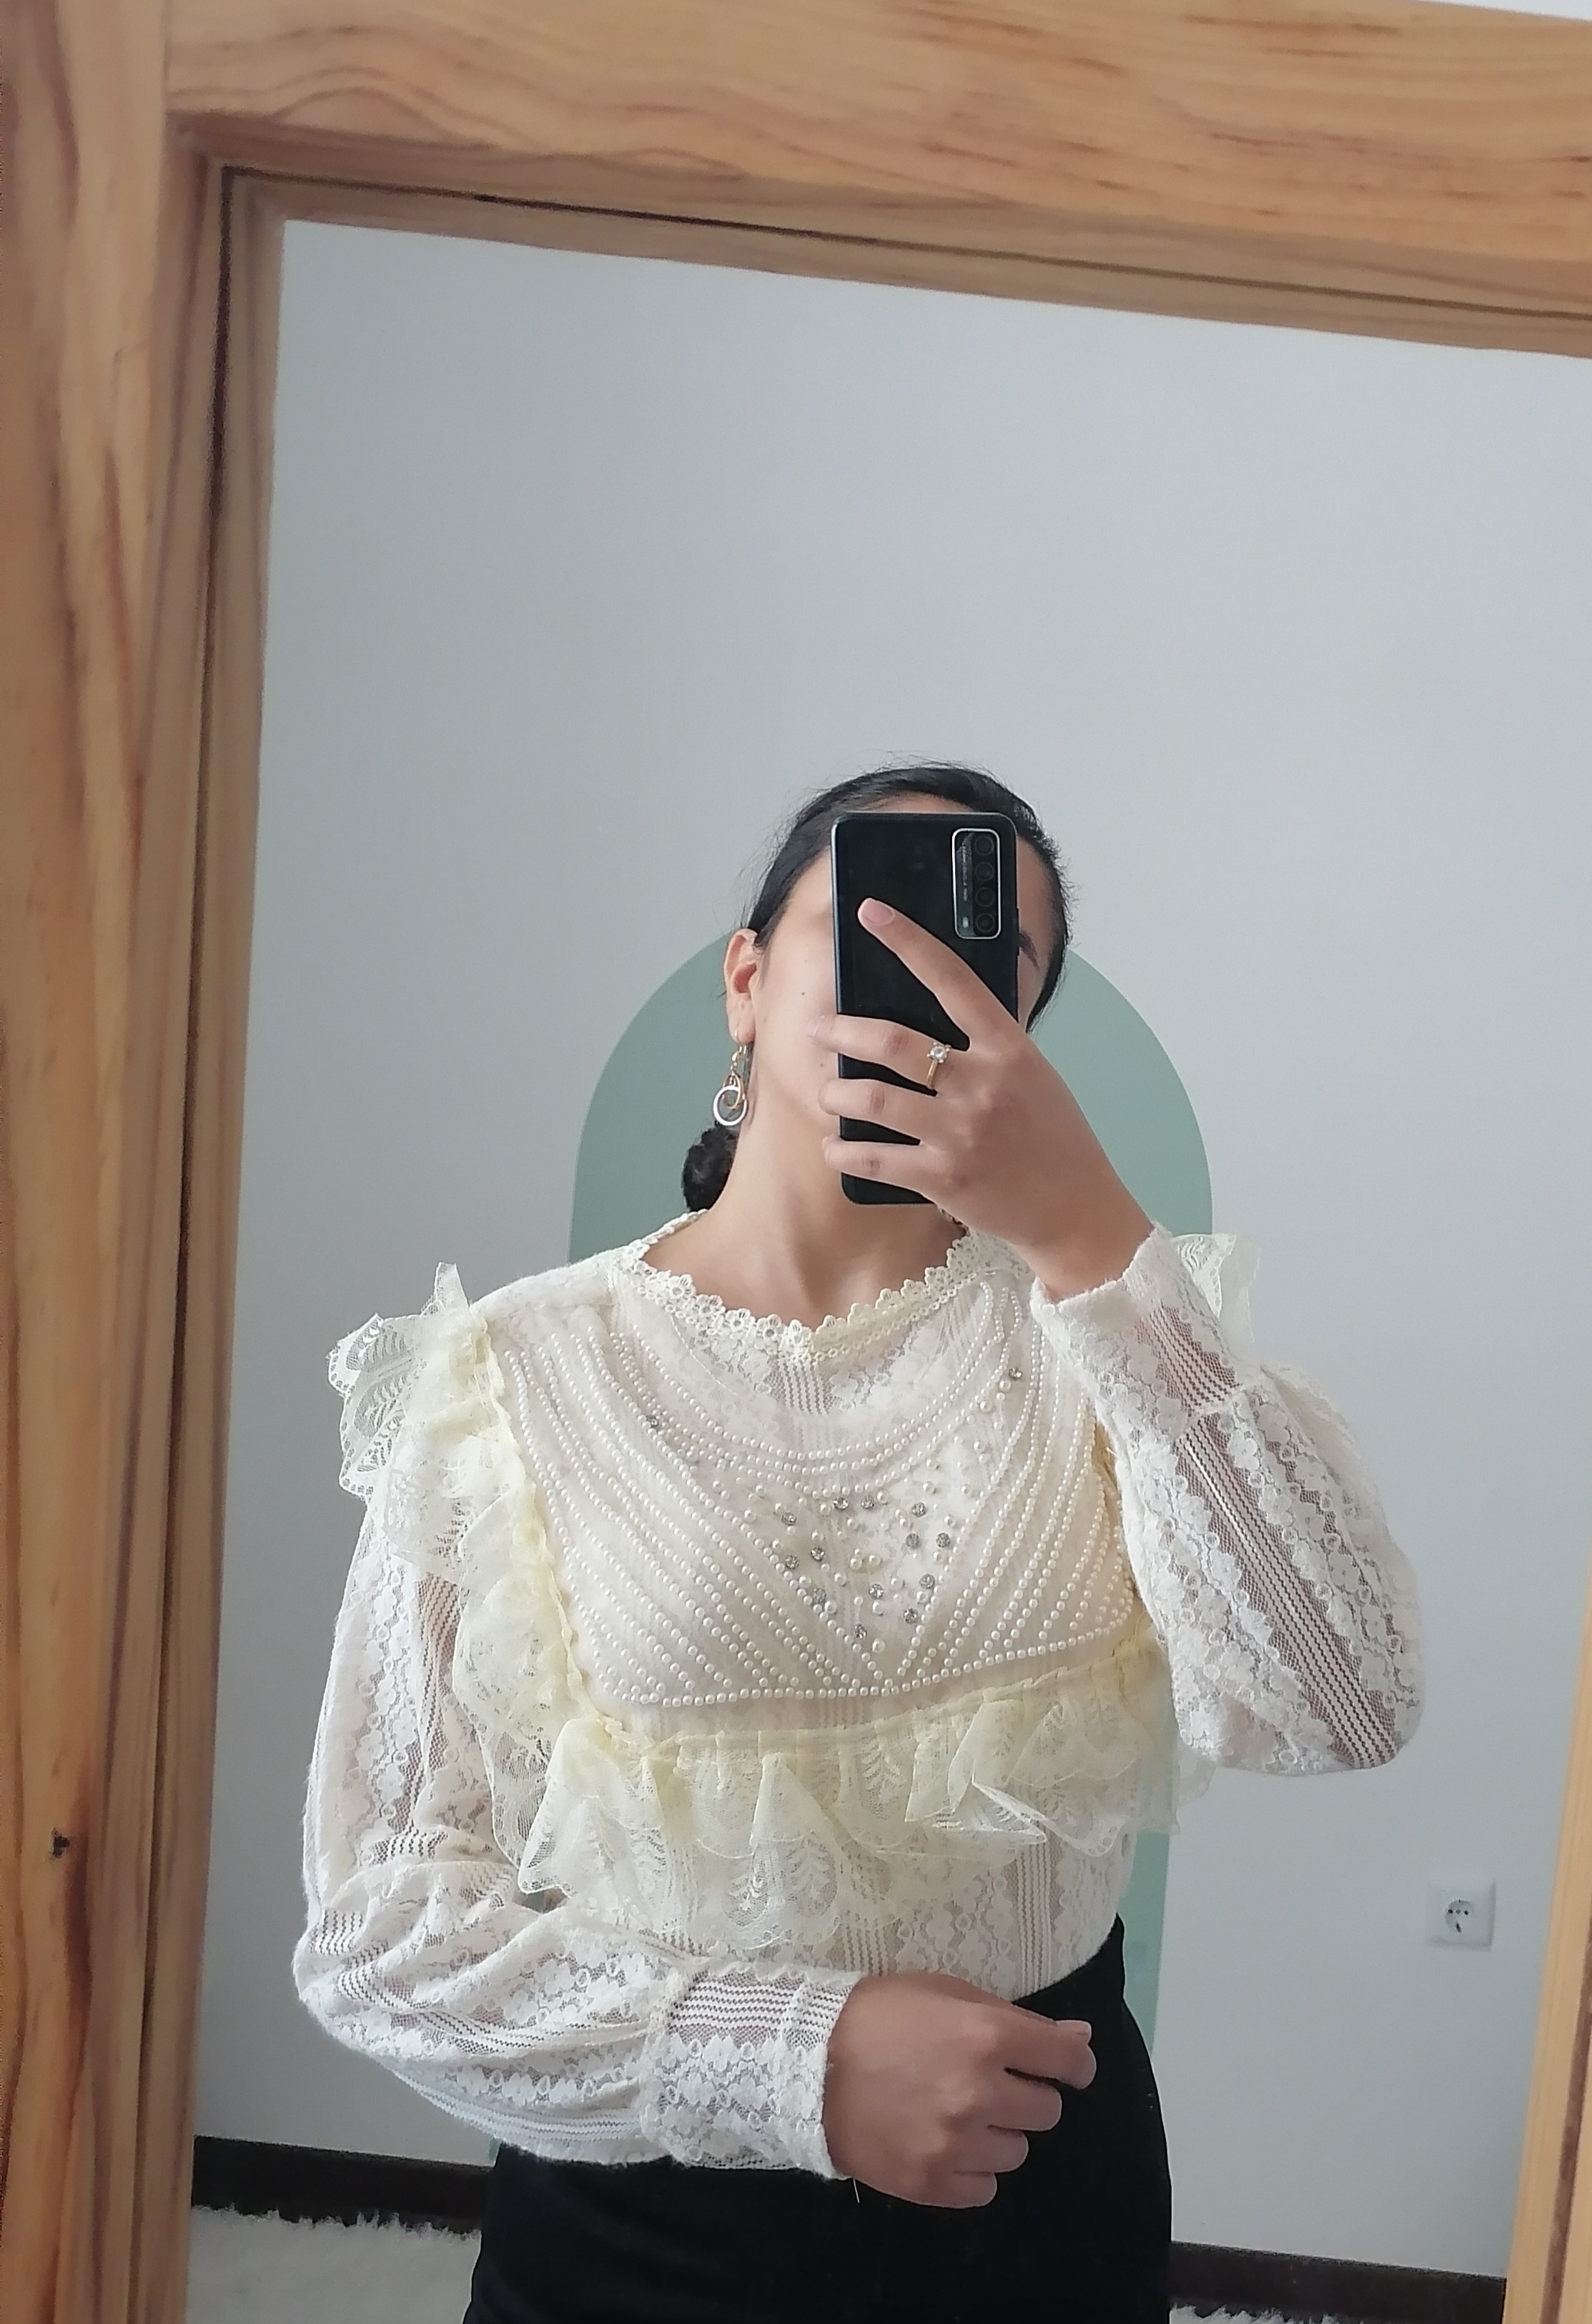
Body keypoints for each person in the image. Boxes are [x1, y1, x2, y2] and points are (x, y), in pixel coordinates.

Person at [294, 762, 1423, 2324]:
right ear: (745, 982)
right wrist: (796, 2062)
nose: (923, 987)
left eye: (984, 964)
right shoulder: (512, 1373)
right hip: (641, 2223)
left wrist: (1092, 1233)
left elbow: (1339, 1702)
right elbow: (380, 1926)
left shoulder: (1112, 1337)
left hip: (1040, 2191)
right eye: (875, 929)